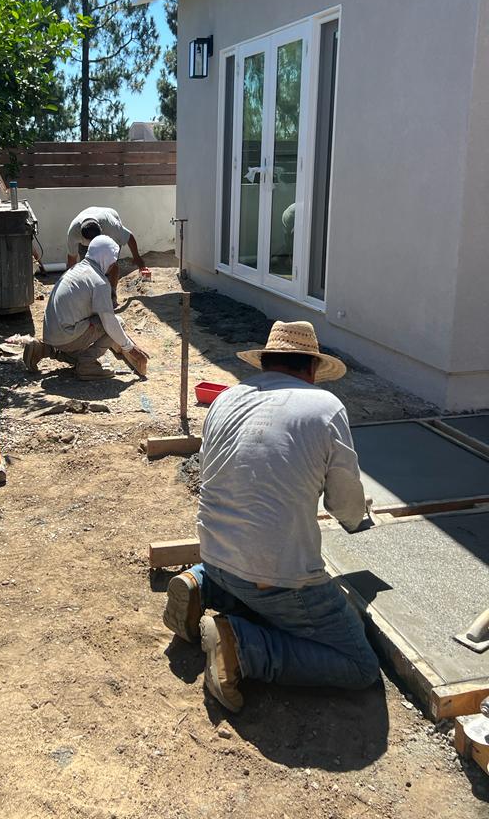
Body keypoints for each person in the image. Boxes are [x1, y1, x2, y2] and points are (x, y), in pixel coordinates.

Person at [162, 320, 379, 712]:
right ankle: (242, 649)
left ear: (264, 363)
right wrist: (358, 518)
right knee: (359, 664)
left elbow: (217, 473)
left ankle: (200, 585)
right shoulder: (325, 408)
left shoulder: (227, 398)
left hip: (214, 555)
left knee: (247, 581)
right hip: (275, 580)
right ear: (312, 368)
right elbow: (345, 507)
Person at [24, 235, 149, 381]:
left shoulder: (77, 269)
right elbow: (109, 322)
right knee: (117, 322)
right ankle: (87, 365)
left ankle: (44, 349)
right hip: (66, 337)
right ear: (106, 257)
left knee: (79, 352)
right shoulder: (99, 282)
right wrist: (131, 349)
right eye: (113, 259)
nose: (113, 264)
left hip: (51, 334)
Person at [66, 207, 146, 305]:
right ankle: (91, 295)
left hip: (108, 228)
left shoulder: (111, 227)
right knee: (87, 268)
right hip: (87, 232)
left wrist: (137, 257)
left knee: (111, 264)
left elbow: (129, 237)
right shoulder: (73, 232)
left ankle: (112, 294)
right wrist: (69, 285)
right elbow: (72, 261)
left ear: (101, 230)